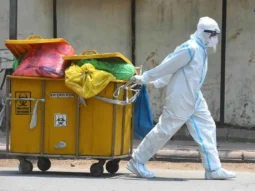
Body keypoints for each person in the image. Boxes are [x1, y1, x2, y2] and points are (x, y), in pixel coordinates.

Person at [127, 17, 236, 180]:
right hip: (180, 97)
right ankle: (137, 161)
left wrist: (158, 82)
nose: (215, 38)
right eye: (213, 34)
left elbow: (177, 70)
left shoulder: (200, 49)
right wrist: (147, 78)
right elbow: (168, 65)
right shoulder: (190, 48)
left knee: (207, 127)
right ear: (204, 33)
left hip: (194, 96)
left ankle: (213, 169)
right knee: (165, 130)